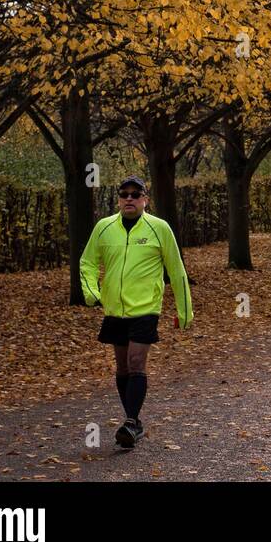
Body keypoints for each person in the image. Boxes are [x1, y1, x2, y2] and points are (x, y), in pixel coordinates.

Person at [80, 176, 192, 450]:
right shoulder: (104, 228)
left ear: (145, 199)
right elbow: (87, 263)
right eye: (124, 194)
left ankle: (130, 421)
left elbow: (176, 270)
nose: (129, 198)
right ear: (118, 199)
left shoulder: (159, 229)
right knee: (122, 368)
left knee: (136, 361)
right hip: (115, 309)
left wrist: (184, 310)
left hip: (145, 308)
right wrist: (91, 293)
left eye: (135, 194)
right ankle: (134, 423)